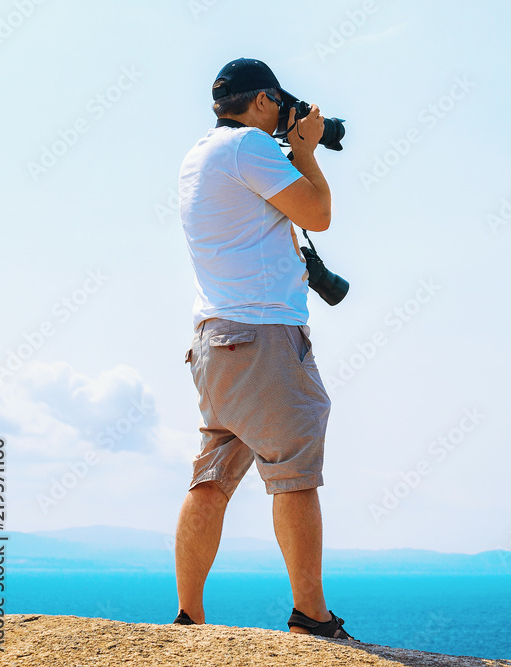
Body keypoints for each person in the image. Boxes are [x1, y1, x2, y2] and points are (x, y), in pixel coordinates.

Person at [172, 57, 353, 640]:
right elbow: (318, 215)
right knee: (295, 470)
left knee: (213, 475)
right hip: (263, 336)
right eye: (278, 102)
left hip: (215, 337)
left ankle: (189, 617)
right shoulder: (250, 146)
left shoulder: (200, 154)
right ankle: (312, 618)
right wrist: (307, 150)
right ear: (262, 101)